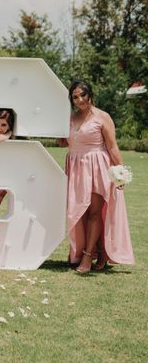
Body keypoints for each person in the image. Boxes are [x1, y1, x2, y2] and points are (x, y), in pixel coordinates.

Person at [58, 81, 134, 273]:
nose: (79, 100)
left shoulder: (102, 117)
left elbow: (112, 146)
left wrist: (120, 172)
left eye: (83, 95)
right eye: (75, 97)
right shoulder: (70, 117)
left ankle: (87, 256)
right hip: (75, 167)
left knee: (94, 212)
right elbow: (62, 143)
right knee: (79, 213)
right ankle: (97, 252)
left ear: (90, 95)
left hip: (97, 167)